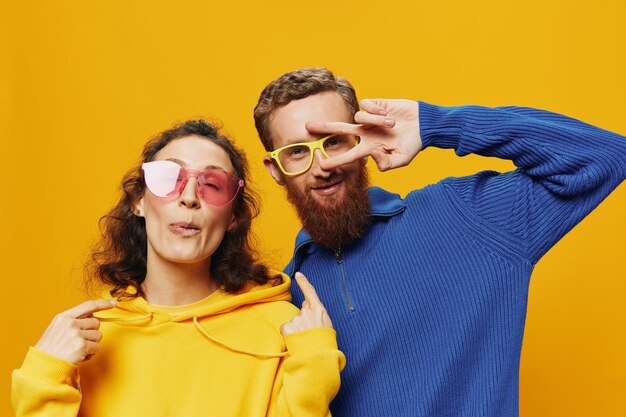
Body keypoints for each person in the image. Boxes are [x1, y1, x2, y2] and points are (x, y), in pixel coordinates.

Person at [253, 67, 626, 417]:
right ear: (275, 170)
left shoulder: (467, 218)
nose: (322, 165)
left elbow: (606, 156)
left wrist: (437, 125)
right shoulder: (284, 302)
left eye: (335, 142)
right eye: (297, 151)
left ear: (361, 137)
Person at [12, 119, 344, 417]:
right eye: (167, 177)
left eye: (213, 185)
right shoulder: (88, 338)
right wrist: (44, 374)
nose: (189, 197)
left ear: (233, 218)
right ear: (138, 200)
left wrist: (314, 365)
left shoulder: (281, 328)